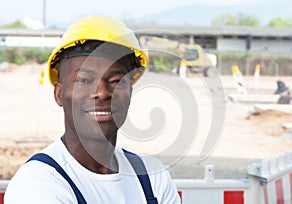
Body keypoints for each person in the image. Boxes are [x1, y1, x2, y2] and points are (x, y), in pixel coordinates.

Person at [5, 16, 180, 204]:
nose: (102, 93)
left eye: (116, 81)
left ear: (130, 92)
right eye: (83, 80)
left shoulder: (152, 177)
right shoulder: (38, 185)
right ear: (59, 94)